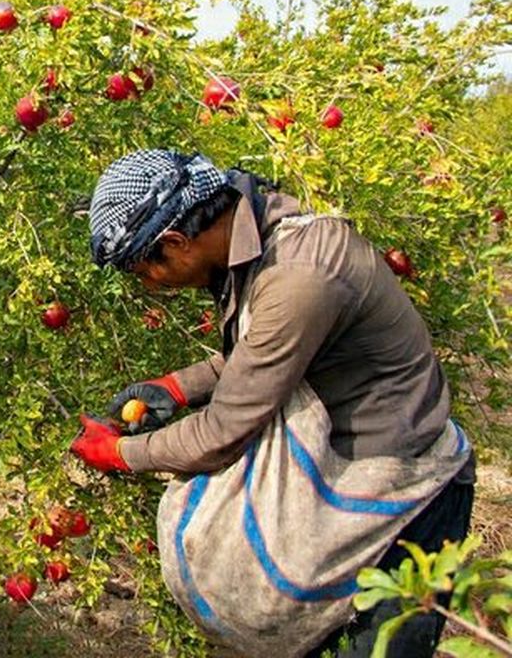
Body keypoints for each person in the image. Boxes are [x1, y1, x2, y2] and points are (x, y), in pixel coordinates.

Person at [70, 149, 474, 658]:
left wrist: (120, 454)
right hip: (349, 478)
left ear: (174, 243)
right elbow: (263, 354)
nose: (150, 286)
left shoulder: (298, 274)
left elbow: (221, 434)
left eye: (143, 272)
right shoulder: (258, 235)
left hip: (407, 499)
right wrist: (175, 386)